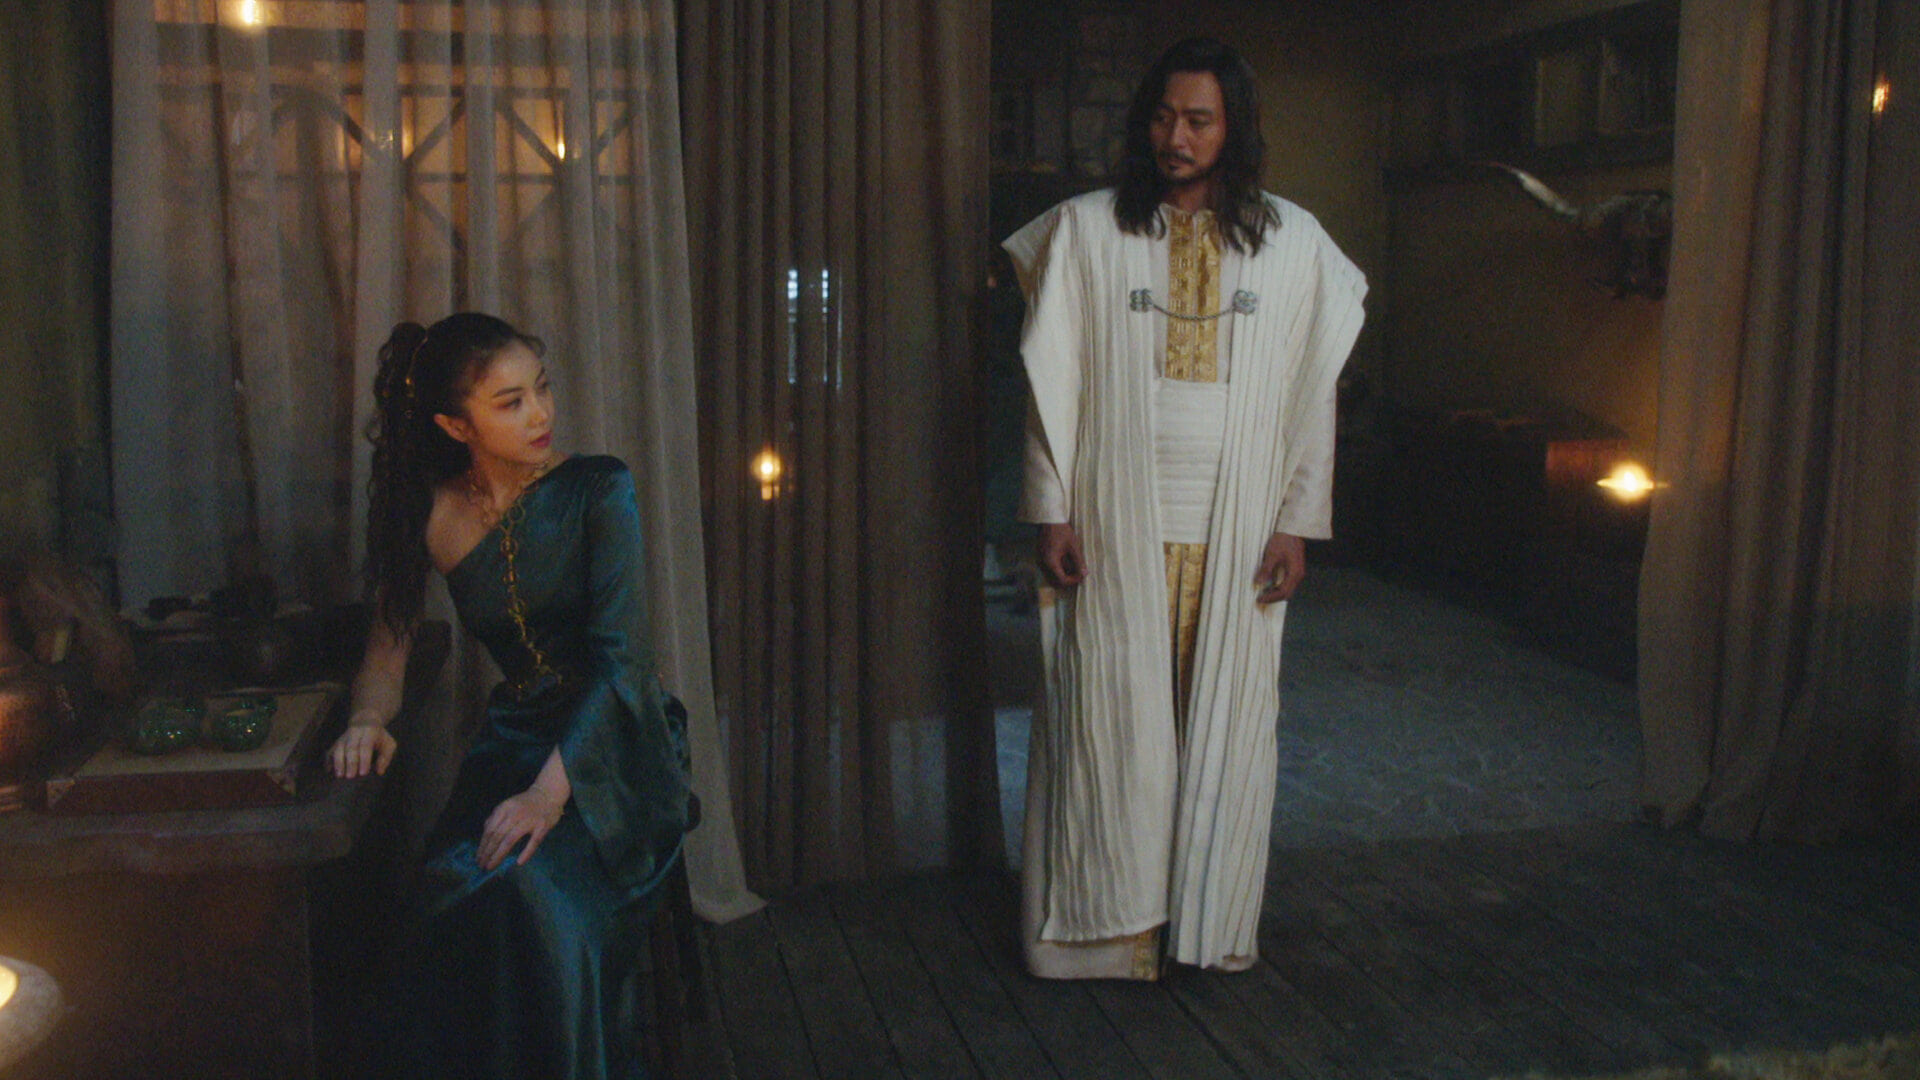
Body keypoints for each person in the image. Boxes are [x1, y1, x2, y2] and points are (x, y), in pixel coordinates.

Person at [1007, 37, 1366, 979]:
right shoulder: (1086, 230)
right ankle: (1104, 938)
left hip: (1237, 522)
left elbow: (1310, 396)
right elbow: (1052, 385)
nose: (1176, 137)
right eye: (1164, 117)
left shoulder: (1293, 242)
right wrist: (1052, 510)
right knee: (1109, 725)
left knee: (1224, 733)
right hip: (1113, 514)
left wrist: (1296, 520)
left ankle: (1203, 925)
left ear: (1232, 128)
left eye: (1199, 120)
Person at [327, 312, 691, 1077]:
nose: (541, 414)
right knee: (446, 894)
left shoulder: (600, 487)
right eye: (511, 401)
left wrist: (546, 799)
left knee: (536, 896)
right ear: (455, 425)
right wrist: (367, 718)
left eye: (542, 389)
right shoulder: (429, 511)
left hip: (619, 737)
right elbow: (386, 652)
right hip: (516, 738)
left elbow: (623, 667)